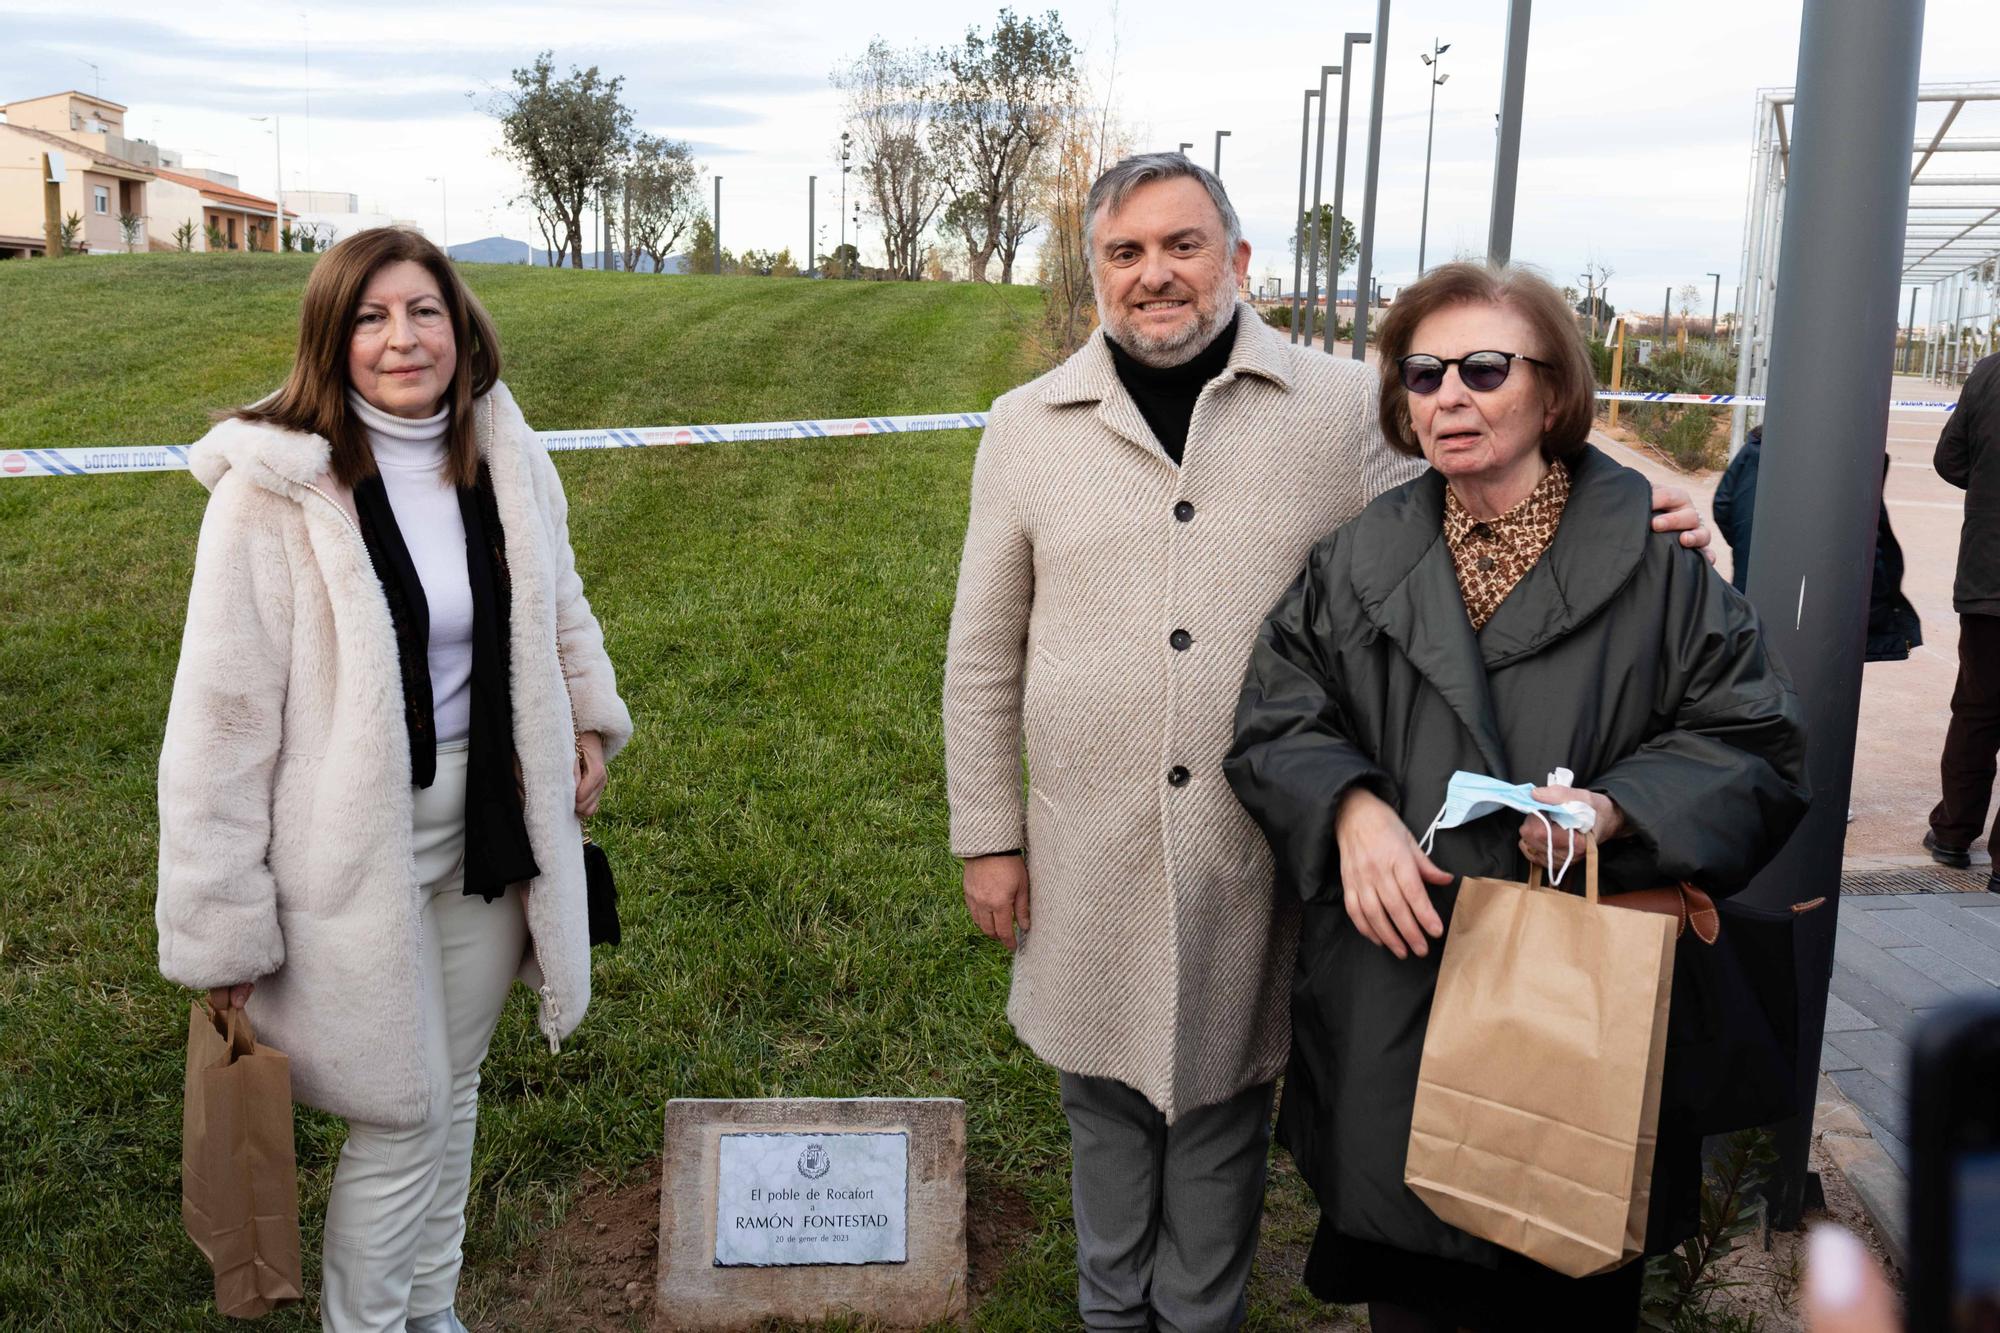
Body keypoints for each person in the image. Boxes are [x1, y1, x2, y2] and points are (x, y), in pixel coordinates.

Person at [940, 154, 1714, 1332]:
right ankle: (1111, 1307)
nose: (1155, 274)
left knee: (1221, 1099)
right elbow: (983, 649)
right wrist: (987, 832)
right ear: (1094, 270)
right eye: (1124, 251)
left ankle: (1197, 1312)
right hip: (1084, 843)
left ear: (1238, 262)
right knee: (1097, 1093)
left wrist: (1656, 504)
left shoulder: (1342, 408)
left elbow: (1495, 467)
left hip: (1252, 846)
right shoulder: (1024, 426)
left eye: (1183, 244)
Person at [1224, 262, 1808, 1332]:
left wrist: (1615, 809)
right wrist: (1348, 808)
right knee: (1409, 1289)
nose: (1449, 395)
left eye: (1483, 368)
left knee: (1565, 1285)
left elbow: (1756, 742)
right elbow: (1274, 719)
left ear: (1551, 390)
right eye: (1423, 372)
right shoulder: (1354, 561)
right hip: (1396, 993)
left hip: (1571, 1013)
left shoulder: (1660, 564)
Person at [155, 226, 632, 1332]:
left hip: (491, 819)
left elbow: (556, 603)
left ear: (460, 325)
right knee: (400, 1110)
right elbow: (219, 724)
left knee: (451, 1086)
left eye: (422, 310)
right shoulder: (271, 495)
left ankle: (431, 1311)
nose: (400, 338)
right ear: (333, 337)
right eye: (370, 317)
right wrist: (221, 925)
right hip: (349, 841)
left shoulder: (504, 448)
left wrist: (587, 724)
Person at [1714, 423, 1921, 659]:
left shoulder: (1755, 449)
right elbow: (1867, 543)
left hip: (1754, 596)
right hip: (1826, 614)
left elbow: (1723, 506)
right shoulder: (1849, 458)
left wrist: (1750, 549)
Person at [1925, 349, 2000, 891]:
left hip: (1988, 576)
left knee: (1976, 707)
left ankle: (1953, 832)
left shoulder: (1990, 370)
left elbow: (1949, 459)